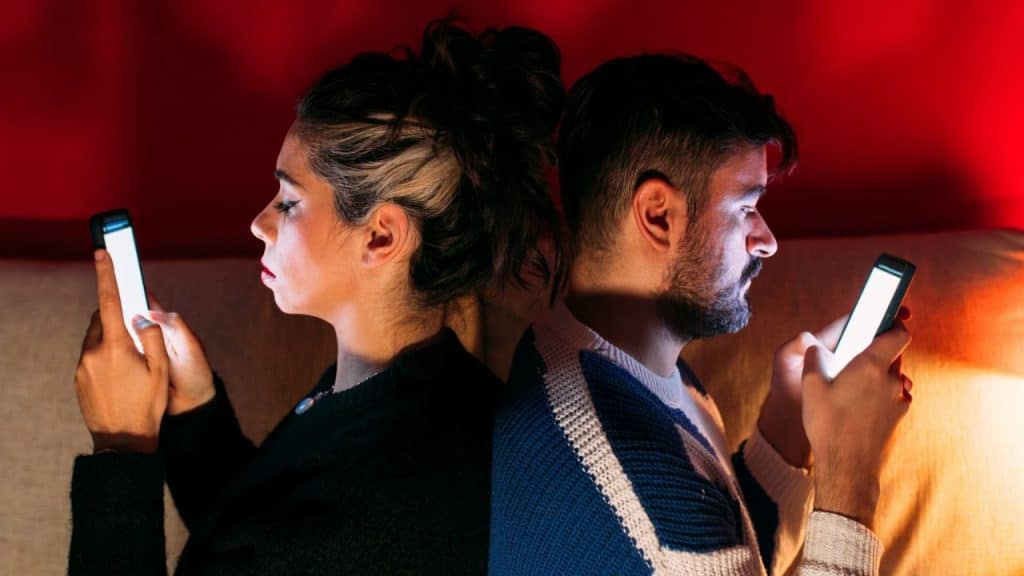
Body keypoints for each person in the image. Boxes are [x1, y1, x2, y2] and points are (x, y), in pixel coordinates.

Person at [69, 19, 564, 575]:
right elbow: (257, 534)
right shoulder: (404, 389)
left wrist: (121, 447)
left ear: (381, 236)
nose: (259, 223)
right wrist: (194, 407)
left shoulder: (394, 498)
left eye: (288, 202)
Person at [490, 54, 914, 575]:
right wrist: (850, 470)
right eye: (745, 208)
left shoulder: (592, 353)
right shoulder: (630, 469)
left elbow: (729, 550)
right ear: (657, 215)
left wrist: (787, 423)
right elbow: (673, 530)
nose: (767, 242)